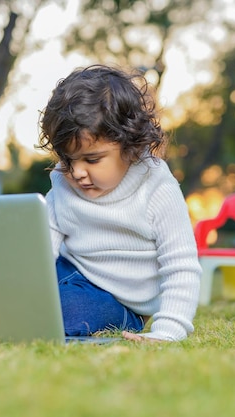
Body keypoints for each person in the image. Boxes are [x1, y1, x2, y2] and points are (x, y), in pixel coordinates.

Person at [38, 65, 201, 342]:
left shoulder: (157, 188)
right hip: (69, 272)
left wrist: (167, 332)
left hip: (119, 301)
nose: (76, 172)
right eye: (67, 160)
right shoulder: (62, 185)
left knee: (66, 308)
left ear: (131, 147)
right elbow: (41, 254)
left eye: (91, 159)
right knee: (19, 289)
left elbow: (181, 266)